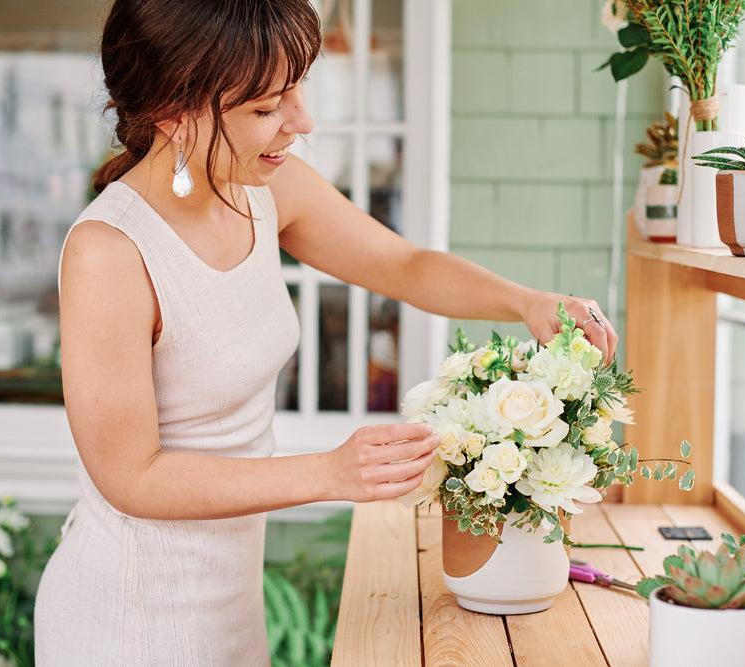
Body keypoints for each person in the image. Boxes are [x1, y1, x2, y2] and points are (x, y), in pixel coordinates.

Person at [33, 0, 619, 664]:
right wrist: (331, 472)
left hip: (227, 608)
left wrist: (526, 302)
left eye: (297, 90)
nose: (301, 122)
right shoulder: (110, 252)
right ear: (173, 112)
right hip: (127, 624)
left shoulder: (261, 190)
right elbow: (132, 476)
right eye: (266, 108)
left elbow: (402, 263)